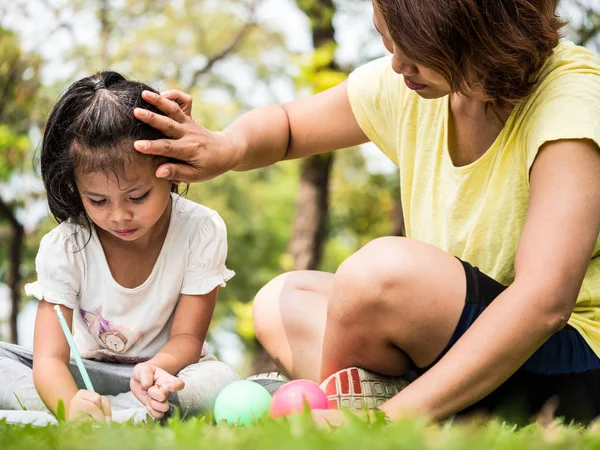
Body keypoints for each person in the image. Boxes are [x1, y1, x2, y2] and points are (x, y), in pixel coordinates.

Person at [132, 0, 600, 425]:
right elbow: (291, 126)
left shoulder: (570, 102)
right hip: (458, 338)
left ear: (477, 32)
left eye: (412, 46)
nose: (396, 63)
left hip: (568, 362)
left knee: (378, 276)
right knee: (280, 301)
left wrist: (387, 421)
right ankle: (412, 405)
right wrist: (228, 146)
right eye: (386, 39)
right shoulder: (423, 84)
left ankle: (367, 412)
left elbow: (544, 303)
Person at [0, 71, 239, 422]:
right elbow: (50, 359)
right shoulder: (66, 246)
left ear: (170, 170)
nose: (120, 215)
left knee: (219, 381)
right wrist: (70, 404)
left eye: (138, 196)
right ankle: (117, 415)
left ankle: (123, 411)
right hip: (84, 374)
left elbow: (188, 339)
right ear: (76, 188)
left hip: (164, 376)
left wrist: (155, 371)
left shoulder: (200, 230)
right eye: (97, 200)